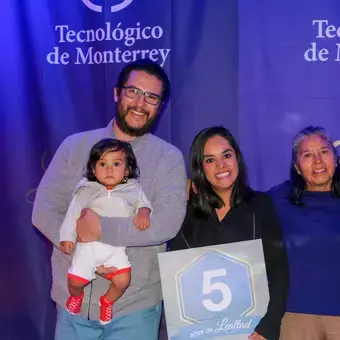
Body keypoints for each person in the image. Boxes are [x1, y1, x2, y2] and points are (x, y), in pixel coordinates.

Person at [32, 59, 187, 340]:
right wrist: (85, 249)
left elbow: (166, 223)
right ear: (117, 93)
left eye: (151, 97)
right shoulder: (74, 146)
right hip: (73, 306)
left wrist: (101, 230)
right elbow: (44, 210)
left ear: (160, 105)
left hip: (135, 306)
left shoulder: (169, 157)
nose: (141, 104)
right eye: (133, 92)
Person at [169, 126, 289, 340]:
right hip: (199, 332)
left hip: (252, 331)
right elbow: (177, 284)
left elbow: (279, 272)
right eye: (209, 160)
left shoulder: (260, 206)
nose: (221, 165)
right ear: (200, 168)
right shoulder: (185, 211)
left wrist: (268, 326)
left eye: (226, 155)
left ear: (237, 158)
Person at [59, 138, 153, 325]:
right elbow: (72, 214)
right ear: (94, 169)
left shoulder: (133, 189)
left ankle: (107, 301)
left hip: (115, 248)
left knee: (123, 281)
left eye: (116, 163)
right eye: (102, 163)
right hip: (88, 248)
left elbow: (144, 204)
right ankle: (76, 296)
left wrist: (143, 212)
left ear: (126, 170)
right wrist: (66, 237)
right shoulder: (85, 190)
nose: (109, 169)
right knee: (75, 281)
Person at [267, 126, 340, 340]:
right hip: (295, 317)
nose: (318, 160)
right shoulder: (277, 198)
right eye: (307, 155)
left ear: (336, 159)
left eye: (324, 152)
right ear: (297, 167)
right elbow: (235, 203)